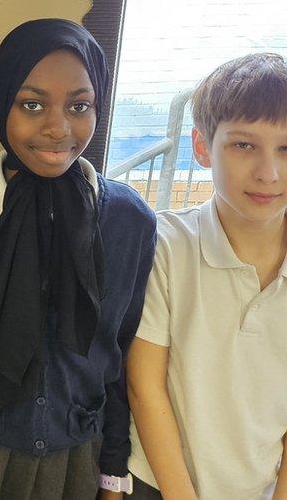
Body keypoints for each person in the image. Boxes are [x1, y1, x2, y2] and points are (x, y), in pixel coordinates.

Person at [0, 19, 156, 499]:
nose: (57, 127)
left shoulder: (129, 221)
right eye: (32, 104)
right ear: (1, 102)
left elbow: (119, 358)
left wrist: (113, 472)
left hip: (74, 464)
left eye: (79, 106)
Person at [126, 53, 287, 500]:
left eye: (285, 149)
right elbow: (145, 387)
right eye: (243, 145)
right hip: (160, 484)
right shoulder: (165, 243)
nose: (268, 173)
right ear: (202, 147)